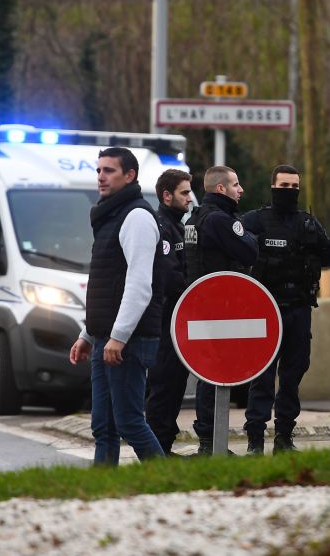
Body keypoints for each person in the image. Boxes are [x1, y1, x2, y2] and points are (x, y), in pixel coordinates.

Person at [68, 147, 166, 465]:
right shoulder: (110, 215)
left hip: (128, 341)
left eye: (109, 170)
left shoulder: (137, 217)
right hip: (105, 338)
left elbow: (139, 285)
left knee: (129, 423)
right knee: (104, 428)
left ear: (130, 176)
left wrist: (119, 336)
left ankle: (167, 483)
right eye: (98, 170)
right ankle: (103, 489)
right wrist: (88, 333)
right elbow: (109, 285)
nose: (101, 177)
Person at [241, 164, 330, 455]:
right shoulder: (255, 221)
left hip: (298, 309)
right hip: (265, 309)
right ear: (273, 187)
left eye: (294, 187)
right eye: (284, 187)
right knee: (263, 377)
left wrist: (314, 244)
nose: (290, 192)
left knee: (293, 374)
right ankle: (255, 439)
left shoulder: (308, 223)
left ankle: (284, 436)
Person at [184, 165, 258, 455]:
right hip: (220, 307)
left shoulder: (195, 219)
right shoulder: (218, 220)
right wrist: (250, 237)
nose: (241, 190)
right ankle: (211, 443)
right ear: (220, 189)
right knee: (215, 374)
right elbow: (249, 251)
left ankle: (209, 442)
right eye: (236, 184)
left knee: (208, 373)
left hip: (201, 304)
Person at [144, 168, 195, 455]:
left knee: (175, 384)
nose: (190, 198)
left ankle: (164, 446)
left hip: (178, 319)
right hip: (165, 321)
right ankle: (156, 451)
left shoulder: (178, 225)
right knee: (164, 386)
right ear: (167, 196)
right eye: (184, 193)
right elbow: (171, 276)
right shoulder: (161, 225)